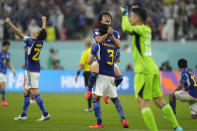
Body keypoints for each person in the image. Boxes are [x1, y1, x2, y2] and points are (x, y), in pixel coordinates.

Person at [121, 5, 182, 131]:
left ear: (137, 18)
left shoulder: (139, 29)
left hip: (143, 70)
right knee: (159, 100)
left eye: (132, 16)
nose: (130, 19)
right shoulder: (147, 29)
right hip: (153, 68)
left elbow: (126, 28)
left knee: (142, 103)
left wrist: (124, 13)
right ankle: (177, 127)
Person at [5, 16, 50, 121]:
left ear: (36, 35)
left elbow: (19, 33)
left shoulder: (31, 41)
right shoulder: (40, 42)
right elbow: (43, 32)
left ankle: (46, 114)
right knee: (26, 92)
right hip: (34, 70)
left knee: (34, 92)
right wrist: (44, 21)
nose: (37, 29)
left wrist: (10, 23)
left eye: (38, 30)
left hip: (31, 71)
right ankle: (23, 115)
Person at [87, 42, 129, 128]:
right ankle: (123, 119)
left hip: (102, 71)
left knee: (95, 98)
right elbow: (118, 59)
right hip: (111, 70)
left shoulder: (98, 44)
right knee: (115, 99)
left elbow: (89, 62)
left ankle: (99, 123)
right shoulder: (114, 43)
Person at [85, 12, 123, 102]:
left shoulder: (116, 33)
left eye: (109, 16)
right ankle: (89, 90)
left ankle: (108, 93)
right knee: (94, 72)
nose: (108, 17)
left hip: (109, 61)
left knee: (120, 78)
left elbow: (118, 46)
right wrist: (107, 34)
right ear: (101, 21)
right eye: (105, 16)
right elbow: (98, 40)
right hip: (98, 59)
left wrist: (111, 35)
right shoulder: (97, 31)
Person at [75, 38, 92, 112]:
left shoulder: (85, 53)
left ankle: (89, 107)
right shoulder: (94, 51)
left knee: (88, 90)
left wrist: (77, 75)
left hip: (88, 73)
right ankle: (96, 106)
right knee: (95, 90)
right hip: (95, 72)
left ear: (85, 44)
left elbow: (81, 65)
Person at [0, 40, 16, 106]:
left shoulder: (8, 54)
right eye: (8, 46)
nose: (9, 48)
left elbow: (8, 63)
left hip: (4, 72)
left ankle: (3, 101)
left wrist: (13, 70)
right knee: (3, 85)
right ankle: (3, 101)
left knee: (2, 86)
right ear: (5, 46)